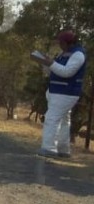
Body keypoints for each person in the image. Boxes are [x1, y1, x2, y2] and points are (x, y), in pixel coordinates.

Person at [31, 28, 86, 158]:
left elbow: (67, 72)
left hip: (66, 92)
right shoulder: (64, 54)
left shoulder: (78, 55)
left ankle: (49, 147)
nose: (59, 45)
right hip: (58, 91)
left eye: (61, 43)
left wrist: (51, 63)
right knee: (63, 119)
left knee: (52, 118)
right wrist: (45, 63)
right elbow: (53, 71)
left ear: (68, 43)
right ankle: (63, 149)